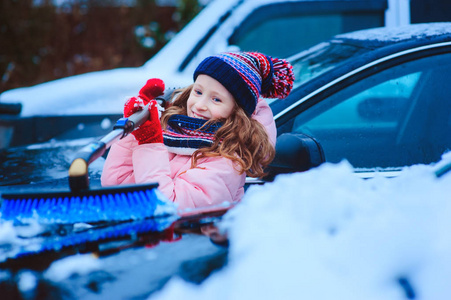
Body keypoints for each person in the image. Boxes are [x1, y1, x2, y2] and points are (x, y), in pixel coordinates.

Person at [101, 52, 294, 210]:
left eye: (216, 99)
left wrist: (150, 142)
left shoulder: (227, 160)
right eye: (198, 92)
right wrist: (137, 131)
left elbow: (166, 208)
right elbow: (115, 184)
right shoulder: (174, 132)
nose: (200, 105)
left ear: (237, 112)